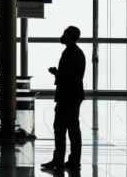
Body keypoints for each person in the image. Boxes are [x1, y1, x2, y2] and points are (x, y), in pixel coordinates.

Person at [42, 26, 86, 169]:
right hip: (77, 95)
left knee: (60, 128)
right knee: (74, 128)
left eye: (64, 33)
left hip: (66, 96)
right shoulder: (80, 52)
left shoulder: (68, 53)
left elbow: (66, 76)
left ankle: (58, 160)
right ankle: (74, 160)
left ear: (69, 36)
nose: (62, 36)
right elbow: (75, 75)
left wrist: (56, 73)